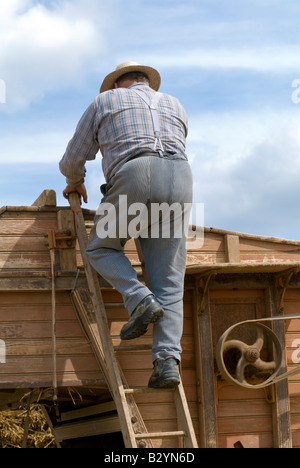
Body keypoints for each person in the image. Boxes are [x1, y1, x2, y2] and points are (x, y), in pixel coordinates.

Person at [59, 61, 193, 388]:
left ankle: (138, 299)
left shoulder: (104, 101)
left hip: (136, 173)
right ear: (148, 84)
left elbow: (74, 157)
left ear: (118, 85)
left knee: (101, 248)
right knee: (170, 279)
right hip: (181, 180)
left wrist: (75, 181)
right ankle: (166, 363)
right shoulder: (175, 104)